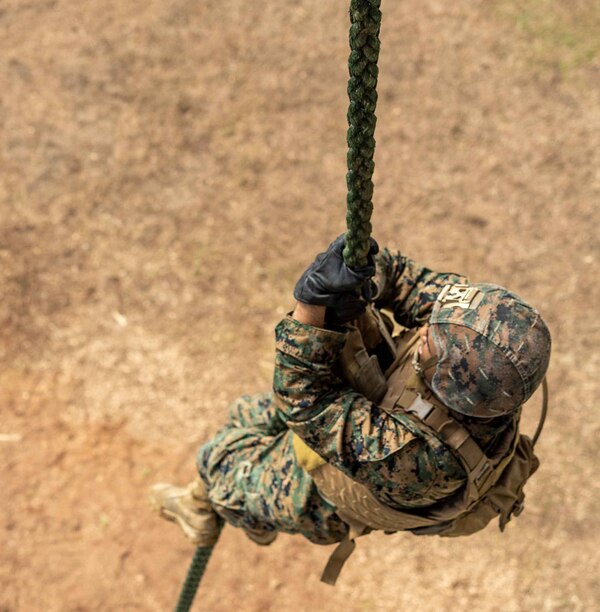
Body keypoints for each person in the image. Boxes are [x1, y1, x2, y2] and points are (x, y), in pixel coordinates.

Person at [151, 236, 551, 582]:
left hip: (336, 493)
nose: (428, 326)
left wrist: (309, 309)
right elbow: (402, 277)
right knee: (248, 414)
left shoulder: (419, 460)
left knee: (220, 463)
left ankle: (219, 509)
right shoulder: (483, 331)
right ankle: (228, 499)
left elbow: (305, 401)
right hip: (371, 419)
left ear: (450, 384)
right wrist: (363, 278)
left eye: (431, 339)